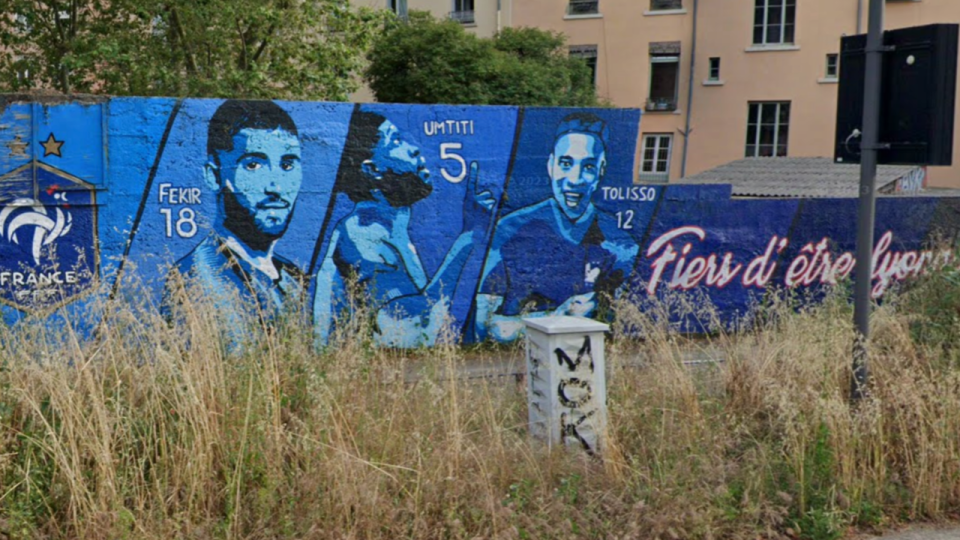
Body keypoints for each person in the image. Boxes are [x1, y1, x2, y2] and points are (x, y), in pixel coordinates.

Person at [313, 109, 494, 348]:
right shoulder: (364, 236)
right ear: (373, 169)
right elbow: (414, 331)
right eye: (396, 142)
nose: (414, 149)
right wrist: (469, 236)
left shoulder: (390, 230)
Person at [474, 113, 638, 343]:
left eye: (588, 166)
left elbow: (629, 324)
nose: (575, 179)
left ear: (601, 170)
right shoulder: (510, 229)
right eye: (566, 163)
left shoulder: (621, 244)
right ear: (551, 165)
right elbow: (483, 325)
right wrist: (559, 317)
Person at [165, 100, 305, 330]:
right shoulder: (202, 276)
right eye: (253, 165)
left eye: (287, 165)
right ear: (214, 176)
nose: (276, 187)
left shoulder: (292, 276)